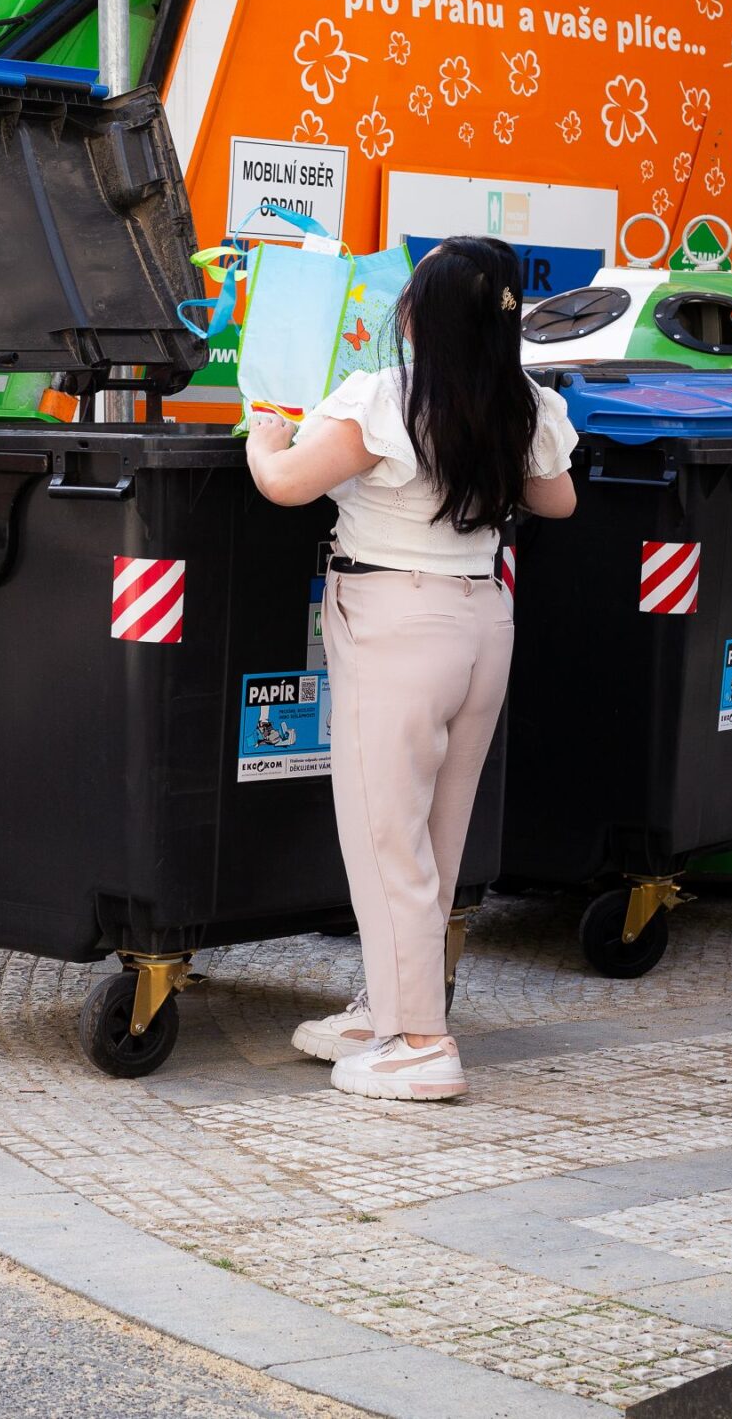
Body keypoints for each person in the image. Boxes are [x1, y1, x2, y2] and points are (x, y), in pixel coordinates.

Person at [243, 236, 576, 1101]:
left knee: (386, 837)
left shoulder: (386, 399)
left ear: (420, 318)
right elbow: (559, 498)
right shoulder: (525, 405)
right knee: (435, 836)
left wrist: (265, 437)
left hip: (394, 623)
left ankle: (421, 1042)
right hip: (482, 621)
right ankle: (387, 1009)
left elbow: (285, 483)